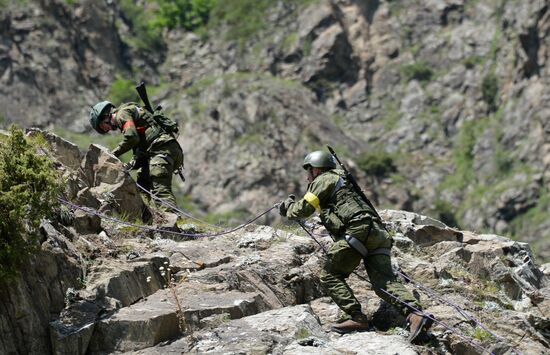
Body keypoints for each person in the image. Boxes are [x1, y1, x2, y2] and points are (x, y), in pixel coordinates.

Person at [278, 150, 432, 341]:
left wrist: (288, 208)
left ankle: (358, 318)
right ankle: (416, 315)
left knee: (330, 275)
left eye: (308, 170)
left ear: (316, 168)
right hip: (378, 233)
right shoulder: (344, 183)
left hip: (357, 232)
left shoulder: (324, 179)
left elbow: (303, 209)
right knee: (384, 283)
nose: (307, 176)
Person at [89, 101, 183, 208]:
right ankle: (149, 218)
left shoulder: (122, 114)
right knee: (142, 185)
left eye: (102, 126)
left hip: (162, 149)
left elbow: (132, 137)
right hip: (165, 150)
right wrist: (129, 165)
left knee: (160, 190)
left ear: (105, 116)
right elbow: (141, 150)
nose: (106, 129)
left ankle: (170, 221)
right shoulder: (130, 116)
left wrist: (112, 155)